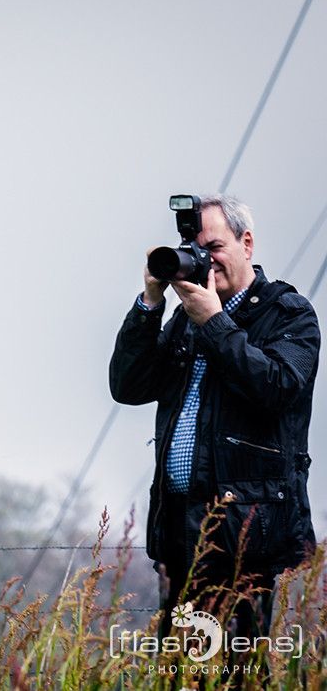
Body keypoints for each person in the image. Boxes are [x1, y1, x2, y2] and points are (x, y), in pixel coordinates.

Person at [109, 195, 318, 638]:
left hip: (246, 538)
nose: (205, 260)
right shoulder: (186, 319)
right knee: (179, 671)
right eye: (194, 249)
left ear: (247, 243)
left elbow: (277, 387)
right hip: (180, 532)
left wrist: (215, 323)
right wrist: (150, 302)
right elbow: (129, 387)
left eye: (214, 247)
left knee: (240, 671)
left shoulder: (288, 314)